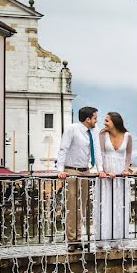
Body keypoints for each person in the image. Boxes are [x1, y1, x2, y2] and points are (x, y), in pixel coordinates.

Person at [57, 106, 99, 251]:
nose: (96, 120)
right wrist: (60, 170)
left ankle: (78, 238)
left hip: (85, 171)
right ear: (87, 119)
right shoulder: (72, 129)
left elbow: (97, 152)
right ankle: (71, 240)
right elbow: (63, 148)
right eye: (95, 118)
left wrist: (100, 170)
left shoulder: (93, 132)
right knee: (71, 206)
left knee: (82, 206)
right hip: (71, 171)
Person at [94, 112, 133, 247]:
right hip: (106, 174)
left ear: (115, 122)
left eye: (107, 121)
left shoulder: (128, 136)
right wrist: (104, 170)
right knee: (105, 203)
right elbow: (100, 154)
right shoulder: (102, 135)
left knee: (119, 204)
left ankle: (118, 238)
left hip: (120, 175)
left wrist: (126, 169)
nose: (104, 123)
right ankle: (104, 238)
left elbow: (128, 154)